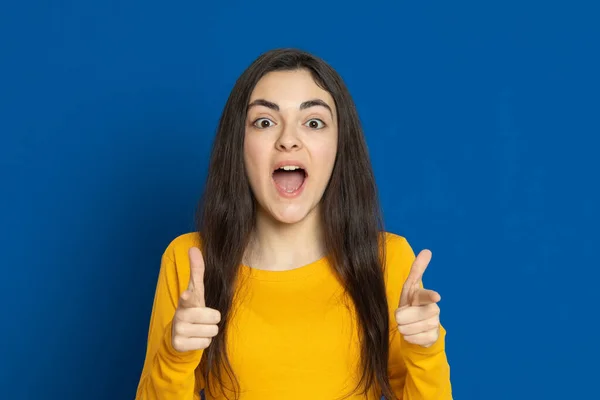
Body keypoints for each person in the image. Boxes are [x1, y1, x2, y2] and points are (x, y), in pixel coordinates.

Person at [135, 48, 452, 400]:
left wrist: (425, 352)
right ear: (238, 144)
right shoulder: (190, 260)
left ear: (338, 146)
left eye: (313, 122)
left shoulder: (387, 261)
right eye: (265, 122)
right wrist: (175, 358)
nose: (288, 138)